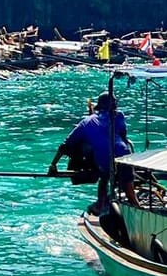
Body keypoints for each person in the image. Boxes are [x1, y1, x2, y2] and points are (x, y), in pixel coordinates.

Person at [48, 93, 133, 241]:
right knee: (126, 183)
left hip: (104, 162)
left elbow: (64, 146)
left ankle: (102, 203)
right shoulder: (119, 116)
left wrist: (53, 165)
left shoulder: (86, 122)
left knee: (104, 176)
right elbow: (122, 136)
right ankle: (130, 200)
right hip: (125, 156)